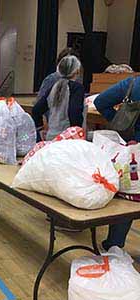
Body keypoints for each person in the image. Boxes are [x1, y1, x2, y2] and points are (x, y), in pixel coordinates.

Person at [94, 76, 140, 251]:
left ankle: (114, 243)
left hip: (133, 149)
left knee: (127, 195)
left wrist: (120, 121)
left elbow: (100, 102)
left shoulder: (132, 84)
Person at [32, 55, 84, 141]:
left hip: (51, 135)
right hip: (68, 137)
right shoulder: (77, 88)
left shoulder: (54, 86)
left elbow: (36, 110)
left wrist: (40, 128)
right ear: (77, 71)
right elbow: (75, 111)